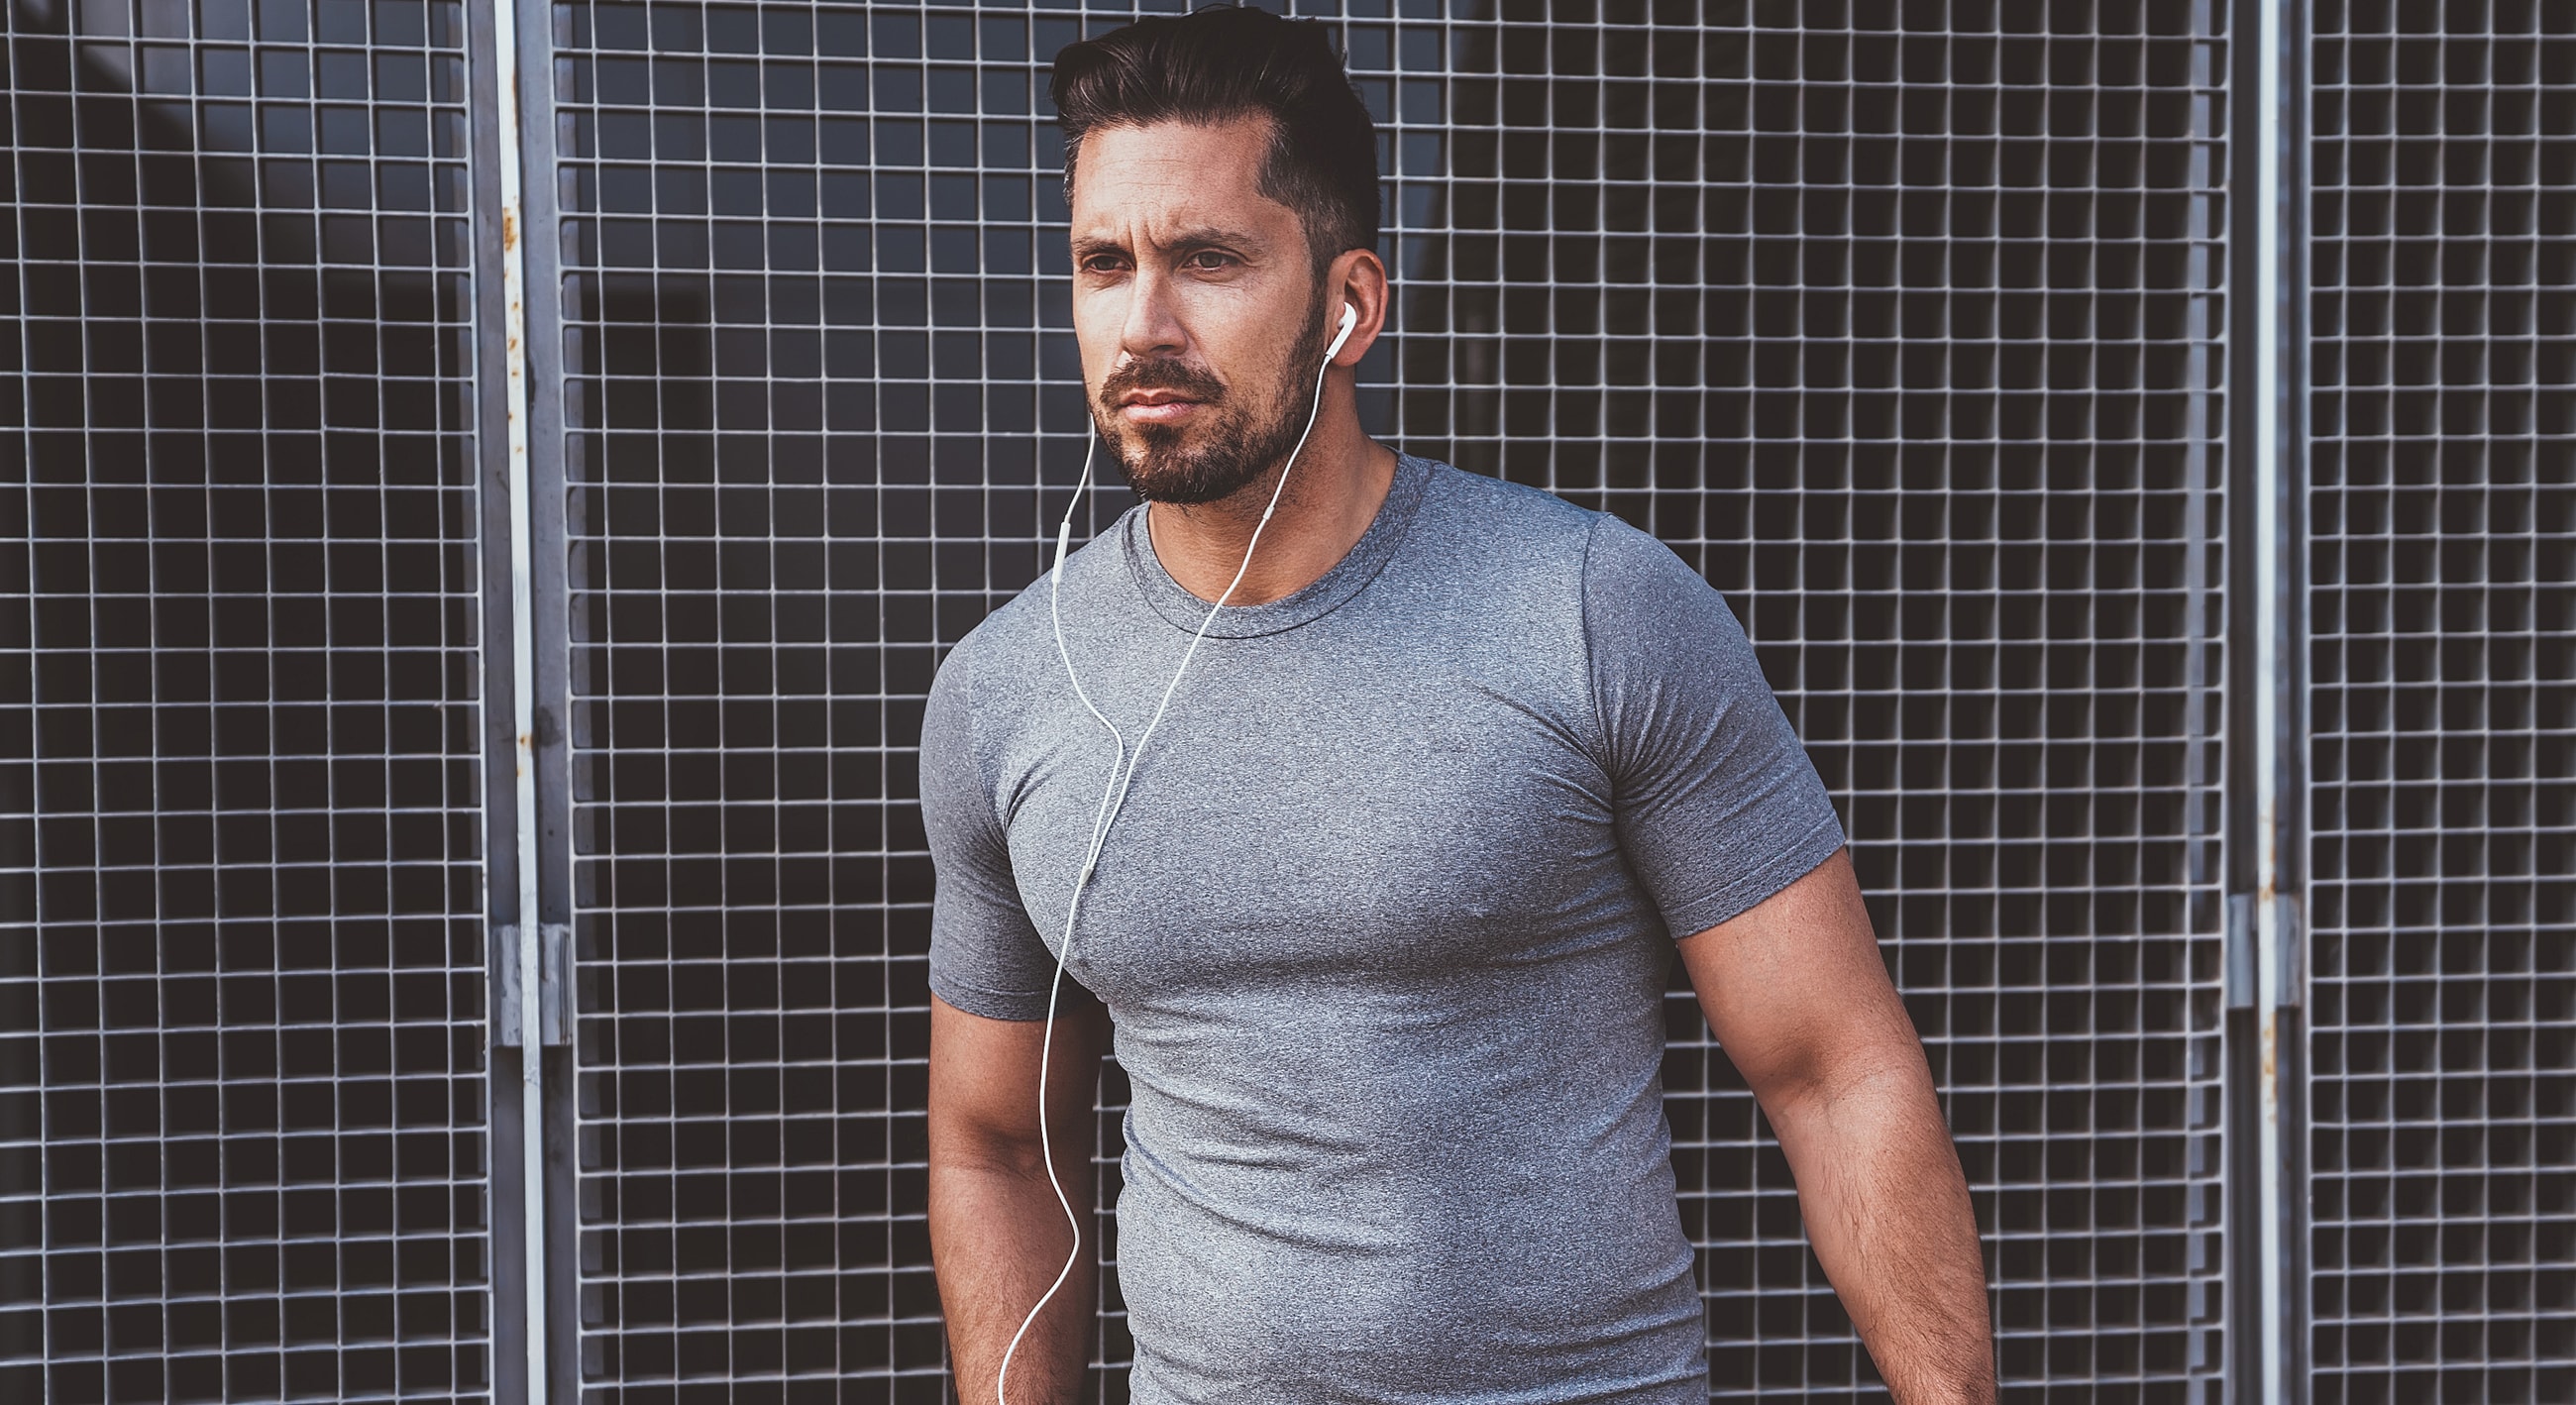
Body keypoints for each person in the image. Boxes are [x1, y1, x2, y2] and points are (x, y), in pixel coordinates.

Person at [919, 7, 1995, 1402]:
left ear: (1351, 305)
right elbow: (999, 1144)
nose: (1145, 326)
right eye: (1103, 263)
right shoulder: (1012, 688)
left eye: (1209, 260)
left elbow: (1834, 1072)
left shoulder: (1591, 610)